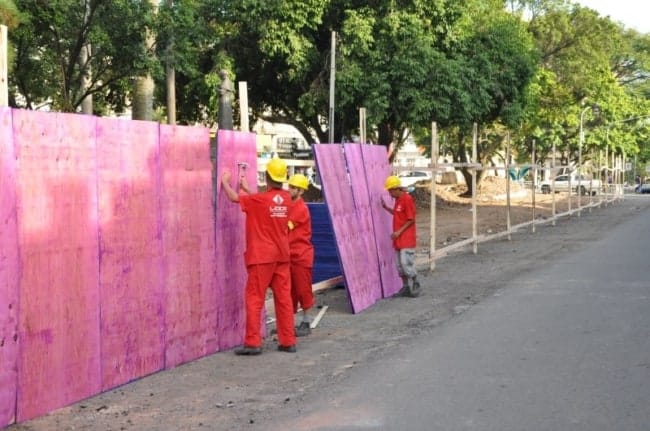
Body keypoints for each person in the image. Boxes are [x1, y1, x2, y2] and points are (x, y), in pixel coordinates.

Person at [221, 158, 297, 355]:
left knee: (255, 298)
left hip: (262, 257)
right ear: (283, 178)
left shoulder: (259, 200)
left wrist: (225, 182)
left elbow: (233, 198)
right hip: (281, 256)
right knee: (283, 299)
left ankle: (253, 342)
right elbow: (267, 204)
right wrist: (247, 189)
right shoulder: (288, 199)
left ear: (268, 177)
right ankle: (288, 341)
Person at [381, 175, 420, 297]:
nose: (389, 193)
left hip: (407, 238)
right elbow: (398, 214)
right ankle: (405, 287)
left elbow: (411, 219)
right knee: (399, 265)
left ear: (396, 189)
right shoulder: (398, 200)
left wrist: (399, 231)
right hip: (398, 239)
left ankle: (414, 280)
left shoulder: (407, 199)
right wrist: (386, 208)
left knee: (405, 263)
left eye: (390, 190)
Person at [287, 174, 315, 336]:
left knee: (303, 289)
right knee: (289, 291)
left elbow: (286, 226)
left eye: (292, 187)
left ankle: (306, 322)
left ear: (300, 191)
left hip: (300, 255)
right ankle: (288, 323)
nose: (289, 189)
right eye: (289, 186)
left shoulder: (300, 208)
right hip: (290, 255)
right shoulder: (290, 204)